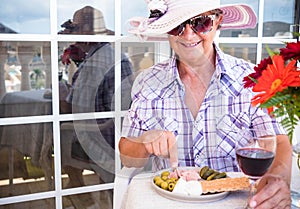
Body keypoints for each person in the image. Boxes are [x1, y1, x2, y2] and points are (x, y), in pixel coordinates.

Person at [119, 0, 292, 208]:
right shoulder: (148, 81)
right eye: (177, 25)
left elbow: (279, 142)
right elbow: (127, 156)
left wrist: (277, 181)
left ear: (217, 21)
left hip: (240, 202)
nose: (189, 35)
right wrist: (144, 141)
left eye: (200, 22)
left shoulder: (251, 79)